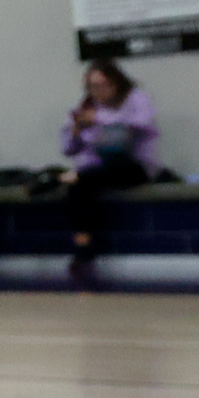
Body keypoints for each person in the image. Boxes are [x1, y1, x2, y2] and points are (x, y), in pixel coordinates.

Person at [58, 59, 160, 266]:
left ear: (116, 83)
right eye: (92, 87)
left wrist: (100, 119)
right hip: (97, 169)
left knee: (86, 177)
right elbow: (68, 150)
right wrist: (76, 132)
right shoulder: (86, 108)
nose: (98, 92)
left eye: (103, 85)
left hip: (135, 165)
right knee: (78, 185)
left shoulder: (135, 99)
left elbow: (140, 125)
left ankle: (80, 178)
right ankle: (83, 246)